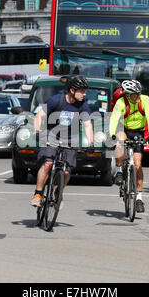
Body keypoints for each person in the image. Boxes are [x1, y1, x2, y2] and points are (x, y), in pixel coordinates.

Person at [30, 75, 94, 209]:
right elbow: (39, 116)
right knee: (48, 163)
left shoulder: (83, 105)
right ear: (72, 90)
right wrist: (37, 132)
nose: (84, 94)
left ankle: (58, 191)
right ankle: (38, 194)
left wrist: (91, 143)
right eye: (81, 91)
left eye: (84, 91)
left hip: (70, 138)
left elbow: (87, 124)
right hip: (51, 135)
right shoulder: (56, 100)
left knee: (66, 172)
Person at [109, 80, 149, 213]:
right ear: (127, 95)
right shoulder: (121, 102)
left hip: (139, 131)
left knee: (137, 164)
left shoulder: (145, 100)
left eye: (139, 94)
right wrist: (112, 134)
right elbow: (114, 118)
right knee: (120, 140)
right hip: (124, 128)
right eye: (135, 95)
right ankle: (118, 170)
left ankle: (139, 198)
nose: (138, 97)